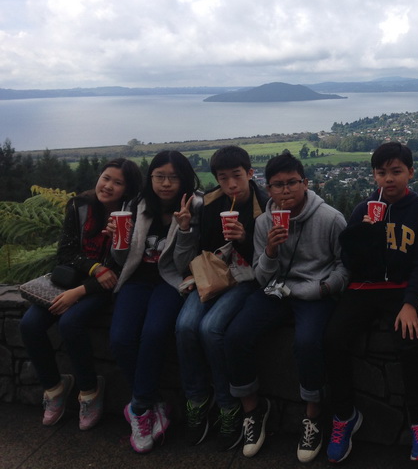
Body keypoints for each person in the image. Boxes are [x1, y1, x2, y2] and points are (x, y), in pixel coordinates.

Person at [223, 152, 347, 462]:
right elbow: (261, 276)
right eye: (278, 185)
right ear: (269, 188)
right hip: (276, 290)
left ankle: (313, 415)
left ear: (305, 183)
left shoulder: (330, 219)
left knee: (307, 342)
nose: (286, 190)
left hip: (314, 292)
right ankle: (253, 410)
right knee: (236, 335)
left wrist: (325, 288)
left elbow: (344, 266)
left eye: (292, 182)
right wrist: (270, 250)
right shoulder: (264, 222)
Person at [325, 141, 418, 463]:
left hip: (401, 289)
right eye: (381, 172)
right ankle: (344, 416)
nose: (388, 179)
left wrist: (411, 303)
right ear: (374, 175)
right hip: (363, 287)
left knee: (410, 342)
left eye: (396, 171)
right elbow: (349, 260)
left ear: (410, 173)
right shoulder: (363, 209)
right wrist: (363, 236)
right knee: (332, 340)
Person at [20, 159, 141, 430]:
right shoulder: (80, 206)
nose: (108, 186)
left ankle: (89, 390)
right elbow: (66, 252)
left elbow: (120, 269)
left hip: (102, 289)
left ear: (128, 188)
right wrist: (94, 268)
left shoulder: (132, 215)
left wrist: (80, 291)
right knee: (29, 324)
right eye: (105, 178)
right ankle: (54, 388)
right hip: (74, 280)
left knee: (71, 323)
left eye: (118, 182)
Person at [175, 146, 268, 450]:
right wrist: (186, 228)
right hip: (214, 275)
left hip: (246, 279)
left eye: (237, 176)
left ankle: (229, 405)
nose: (231, 184)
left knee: (211, 328)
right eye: (223, 177)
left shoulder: (264, 206)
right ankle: (197, 400)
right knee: (185, 326)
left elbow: (265, 263)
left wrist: (243, 239)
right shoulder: (210, 203)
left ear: (250, 173)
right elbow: (203, 250)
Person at [108, 150, 202, 454]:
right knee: (121, 338)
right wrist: (116, 239)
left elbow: (185, 264)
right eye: (159, 176)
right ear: (150, 178)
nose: (166, 183)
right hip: (136, 279)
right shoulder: (136, 206)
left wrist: (185, 229)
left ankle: (138, 409)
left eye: (173, 177)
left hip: (169, 280)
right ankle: (152, 403)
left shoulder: (195, 206)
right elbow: (121, 259)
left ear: (184, 179)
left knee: (154, 333)